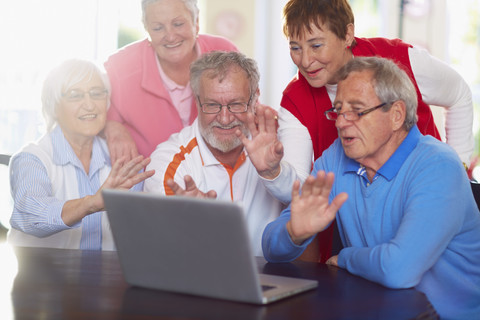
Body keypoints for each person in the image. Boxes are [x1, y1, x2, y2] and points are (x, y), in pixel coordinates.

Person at [262, 56, 480, 319]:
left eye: (357, 111)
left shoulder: (438, 166)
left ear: (396, 115)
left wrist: (346, 258)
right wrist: (293, 233)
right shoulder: (335, 157)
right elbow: (270, 246)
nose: (341, 122)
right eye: (339, 110)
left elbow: (399, 270)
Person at [274, 0, 475, 262]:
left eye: (316, 45)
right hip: (358, 214)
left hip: (422, 193)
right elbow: (299, 188)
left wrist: (457, 166)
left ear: (347, 35)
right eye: (295, 48)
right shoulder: (296, 102)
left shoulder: (400, 59)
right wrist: (271, 172)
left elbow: (459, 93)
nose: (306, 60)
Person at [144, 51, 285, 256]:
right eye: (212, 105)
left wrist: (273, 173)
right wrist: (191, 223)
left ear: (255, 100)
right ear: (197, 102)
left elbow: (303, 212)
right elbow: (164, 250)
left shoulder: (278, 142)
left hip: (274, 279)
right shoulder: (167, 163)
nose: (225, 119)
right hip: (197, 280)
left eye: (236, 104)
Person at [8, 59, 155, 250]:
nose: (90, 105)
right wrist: (91, 203)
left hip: (109, 277)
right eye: (75, 96)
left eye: (96, 94)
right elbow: (32, 215)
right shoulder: (32, 158)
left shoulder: (122, 158)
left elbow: (140, 233)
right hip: (42, 278)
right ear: (54, 105)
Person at [103, 0, 238, 162]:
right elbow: (94, 112)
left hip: (222, 177)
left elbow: (249, 110)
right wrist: (111, 126)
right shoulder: (120, 67)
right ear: (146, 28)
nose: (171, 36)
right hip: (150, 181)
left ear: (196, 21)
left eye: (178, 24)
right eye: (158, 28)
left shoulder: (225, 54)